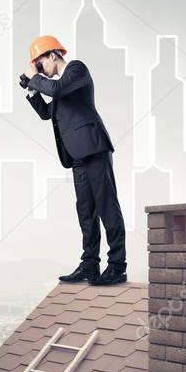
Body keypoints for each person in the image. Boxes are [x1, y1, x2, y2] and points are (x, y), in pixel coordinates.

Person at [19, 35, 127, 286]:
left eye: (40, 63)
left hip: (94, 147)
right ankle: (90, 264)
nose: (39, 69)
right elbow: (47, 113)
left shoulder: (76, 69)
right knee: (85, 212)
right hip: (76, 155)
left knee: (106, 206)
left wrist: (34, 77)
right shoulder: (59, 86)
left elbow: (56, 89)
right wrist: (32, 89)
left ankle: (117, 266)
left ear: (52, 55)